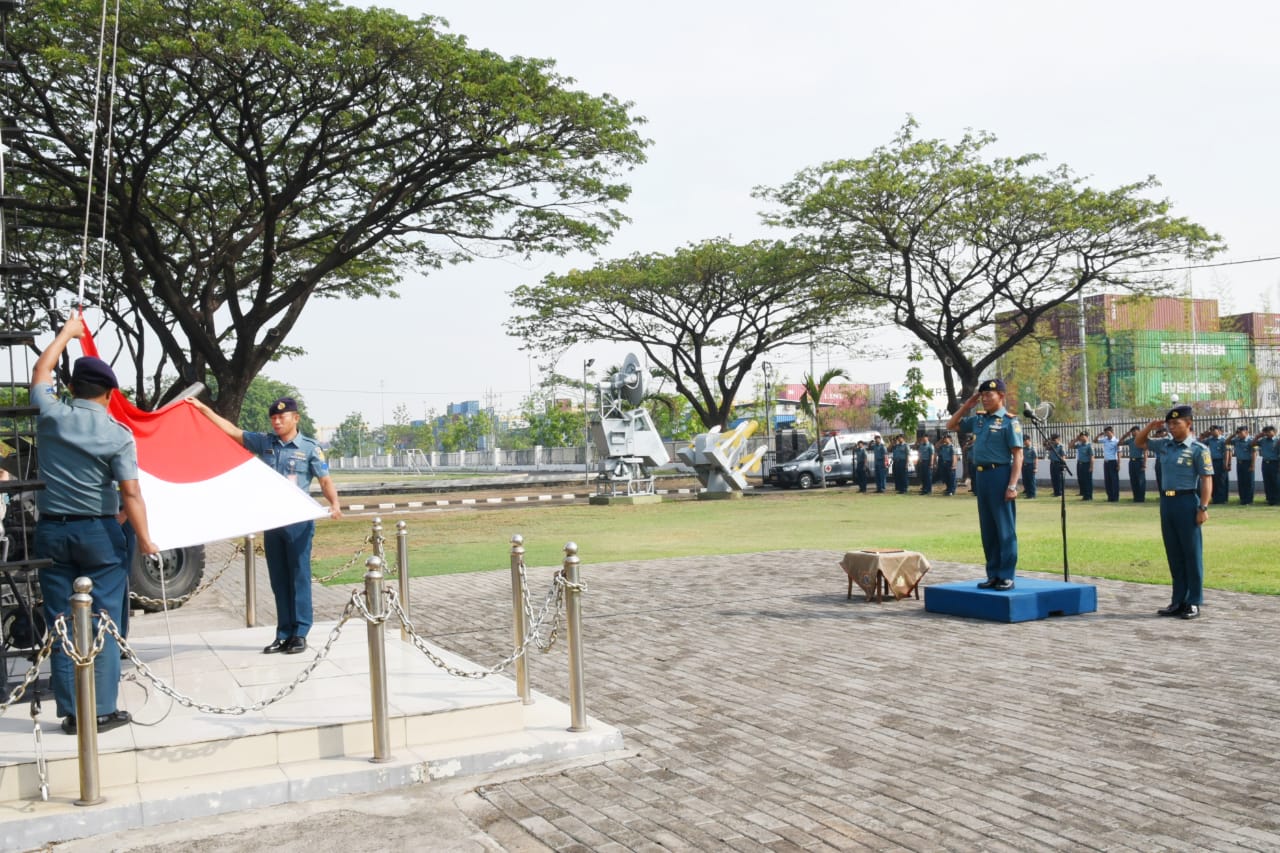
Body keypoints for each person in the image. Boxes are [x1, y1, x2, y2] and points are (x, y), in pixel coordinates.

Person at [31, 315, 160, 734]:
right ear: (110, 394)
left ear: (71, 388)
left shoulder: (50, 416)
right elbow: (131, 494)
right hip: (99, 534)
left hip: (51, 530)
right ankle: (100, 709)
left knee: (61, 621)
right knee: (104, 617)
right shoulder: (117, 434)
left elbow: (40, 371)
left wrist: (66, 334)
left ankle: (71, 712)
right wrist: (145, 539)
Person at [190, 396, 342, 653]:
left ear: (296, 418)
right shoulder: (266, 442)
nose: (277, 421)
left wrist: (335, 504)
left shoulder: (309, 448)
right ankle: (283, 633)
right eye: (273, 418)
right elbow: (233, 432)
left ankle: (300, 633)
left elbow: (325, 480)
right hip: (273, 521)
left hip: (298, 522)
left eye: (282, 417)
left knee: (299, 577)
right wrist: (203, 409)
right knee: (279, 579)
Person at [1136, 405, 1213, 620]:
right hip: (1167, 503)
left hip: (1187, 501)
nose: (1172, 427)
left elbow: (1207, 479)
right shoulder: (1165, 446)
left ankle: (1194, 601)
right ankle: (1178, 600)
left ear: (1189, 424)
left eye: (1176, 424)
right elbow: (1139, 442)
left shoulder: (1198, 449)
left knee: (1191, 554)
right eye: (1169, 424)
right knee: (1174, 554)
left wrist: (1203, 507)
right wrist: (1150, 426)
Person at [946, 379, 1023, 591]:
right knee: (988, 529)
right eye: (983, 396)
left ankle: (1006, 575)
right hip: (982, 477)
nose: (985, 399)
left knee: (1005, 528)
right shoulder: (979, 420)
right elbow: (950, 425)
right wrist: (966, 406)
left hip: (1000, 474)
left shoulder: (1009, 422)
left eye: (990, 395)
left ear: (1001, 396)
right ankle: (993, 574)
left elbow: (1018, 456)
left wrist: (1012, 486)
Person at [1227, 425, 1256, 506]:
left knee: (1249, 482)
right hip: (1239, 463)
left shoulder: (1251, 441)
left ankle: (1249, 500)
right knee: (1241, 481)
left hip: (1248, 463)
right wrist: (1233, 434)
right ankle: (1242, 499)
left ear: (1246, 432)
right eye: (1238, 432)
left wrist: (1252, 465)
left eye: (1240, 432)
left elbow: (1254, 453)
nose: (1239, 434)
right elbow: (1227, 442)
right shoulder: (1236, 440)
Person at [1119, 425, 1148, 502]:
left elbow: (1145, 452)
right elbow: (1119, 443)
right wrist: (1125, 435)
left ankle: (1141, 498)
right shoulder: (1130, 440)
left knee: (1141, 481)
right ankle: (1136, 498)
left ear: (1139, 431)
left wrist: (1144, 464)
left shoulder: (1142, 440)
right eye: (1132, 431)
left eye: (1135, 431)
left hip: (1139, 461)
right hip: (1132, 462)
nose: (1133, 432)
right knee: (1133, 480)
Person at [1095, 426, 1120, 502]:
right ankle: (1110, 497)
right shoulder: (1105, 440)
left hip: (1113, 462)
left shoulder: (1116, 441)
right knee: (1107, 480)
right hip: (1106, 462)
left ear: (1111, 432)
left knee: (1114, 480)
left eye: (1107, 432)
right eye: (1105, 432)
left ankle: (1115, 497)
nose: (1106, 434)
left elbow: (1119, 453)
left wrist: (1119, 464)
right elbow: (1095, 441)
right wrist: (1099, 435)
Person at [1205, 425, 1228, 505]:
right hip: (1211, 462)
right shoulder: (1209, 440)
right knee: (1213, 480)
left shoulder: (1223, 440)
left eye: (1214, 430)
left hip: (1220, 461)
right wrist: (1204, 435)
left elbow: (1226, 452)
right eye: (1211, 431)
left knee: (1221, 481)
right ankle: (1215, 498)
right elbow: (1199, 443)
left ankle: (1222, 499)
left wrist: (1226, 463)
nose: (1212, 432)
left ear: (1219, 431)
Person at [1255, 425, 1279, 506]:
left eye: (1269, 431)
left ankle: (1276, 499)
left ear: (1274, 432)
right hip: (1265, 463)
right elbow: (1252, 444)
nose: (1267, 433)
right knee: (1267, 481)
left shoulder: (1277, 441)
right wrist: (1257, 437)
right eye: (1266, 432)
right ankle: (1269, 499)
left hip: (1274, 463)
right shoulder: (1263, 441)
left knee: (1275, 481)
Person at [1073, 432, 1094, 500]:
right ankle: (1084, 495)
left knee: (1087, 480)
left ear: (1087, 437)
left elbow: (1092, 457)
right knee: (1081, 480)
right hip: (1080, 464)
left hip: (1086, 464)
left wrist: (1091, 467)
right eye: (1081, 436)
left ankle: (1088, 495)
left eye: (1083, 436)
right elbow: (1070, 446)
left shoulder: (1089, 445)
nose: (1081, 438)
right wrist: (1076, 439)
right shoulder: (1079, 445)